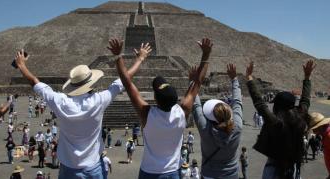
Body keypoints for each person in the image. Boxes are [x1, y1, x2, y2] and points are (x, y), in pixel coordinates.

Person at [14, 42, 150, 179]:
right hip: (93, 166)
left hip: (68, 168)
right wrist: (138, 59)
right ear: (91, 82)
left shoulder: (61, 102)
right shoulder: (99, 100)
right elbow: (124, 80)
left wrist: (22, 65)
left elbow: (35, 82)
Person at [108, 38, 212, 178]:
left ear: (155, 99)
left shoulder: (147, 114)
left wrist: (127, 57)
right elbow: (198, 83)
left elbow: (126, 82)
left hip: (149, 172)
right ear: (176, 100)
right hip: (173, 172)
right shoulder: (182, 112)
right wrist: (206, 55)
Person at [245, 60, 315, 179]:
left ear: (278, 106)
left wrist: (249, 78)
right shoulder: (300, 118)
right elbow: (305, 100)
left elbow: (260, 104)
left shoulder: (276, 122)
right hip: (293, 169)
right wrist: (307, 77)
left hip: (274, 169)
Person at [192, 63, 243, 179]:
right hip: (231, 174)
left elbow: (196, 106)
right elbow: (237, 102)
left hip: (209, 174)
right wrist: (234, 79)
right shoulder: (237, 126)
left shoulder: (205, 128)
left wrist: (193, 81)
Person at [309, 112, 330, 178]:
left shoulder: (329, 137)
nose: (313, 131)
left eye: (315, 129)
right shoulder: (325, 135)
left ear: (321, 126)